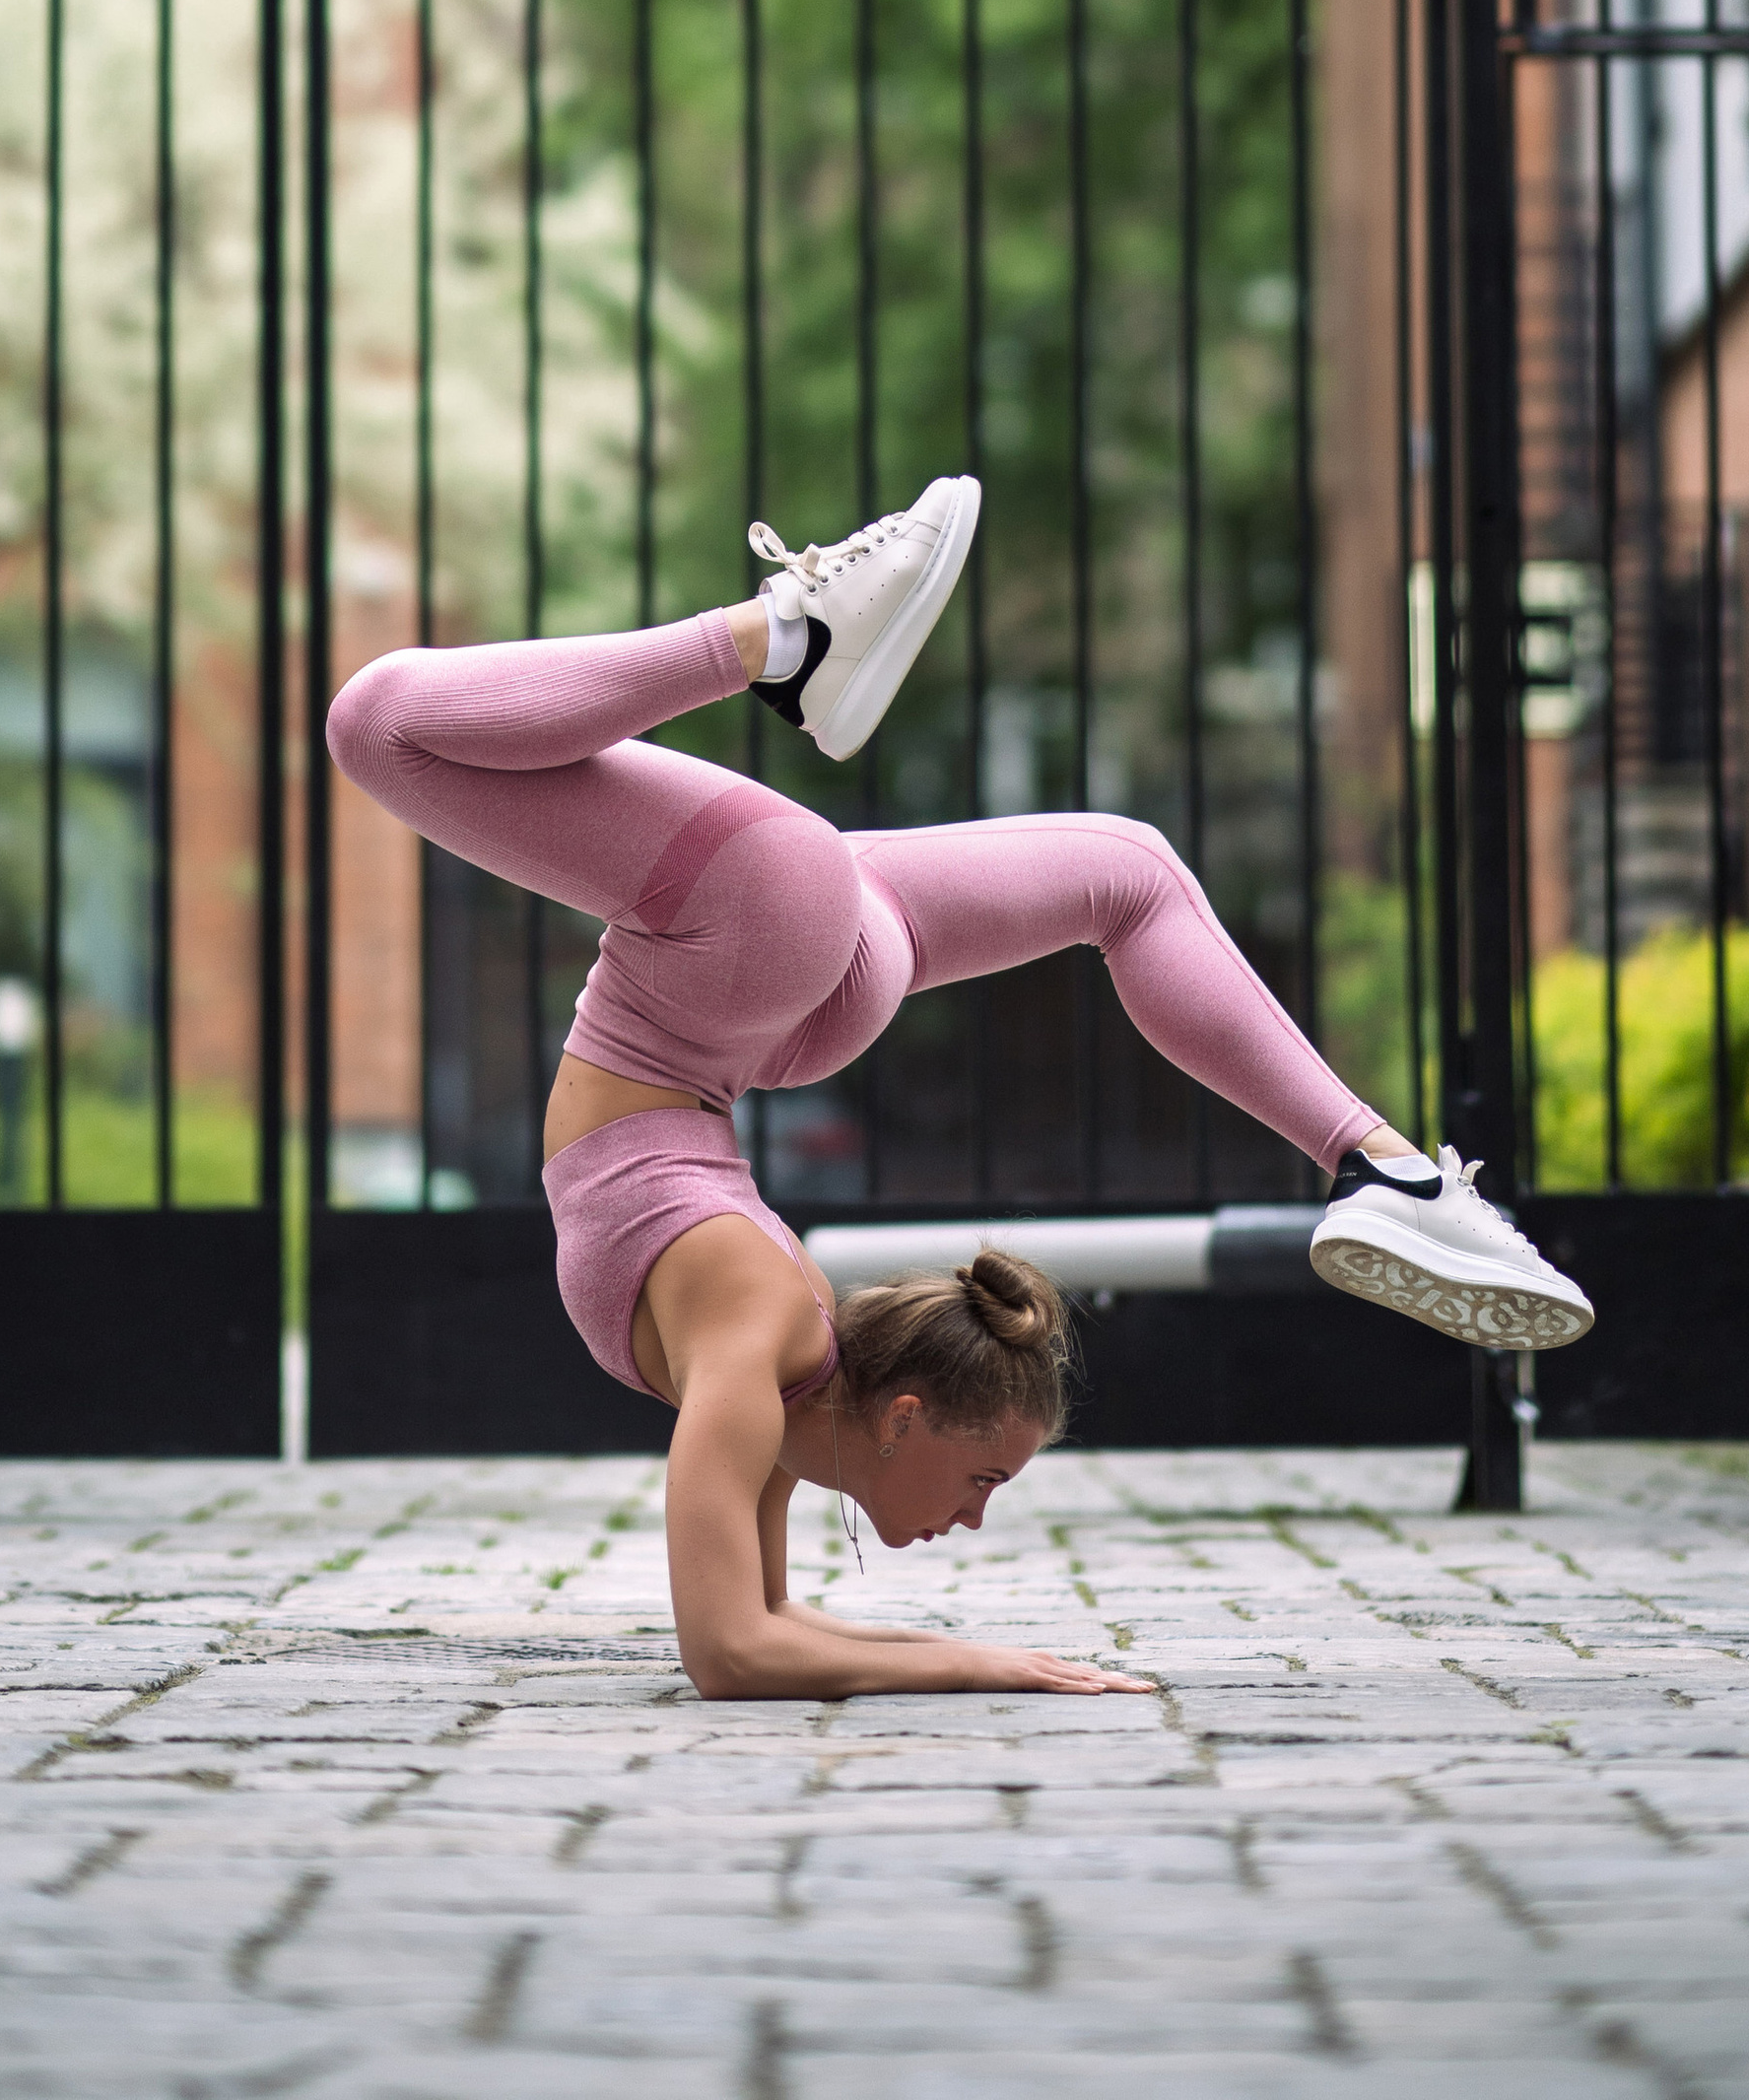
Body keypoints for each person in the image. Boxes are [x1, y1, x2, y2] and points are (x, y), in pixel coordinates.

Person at [327, 476, 1591, 1704]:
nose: (977, 1518)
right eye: (987, 1477)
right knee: (377, 717)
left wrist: (960, 1658)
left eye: (988, 1486)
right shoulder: (764, 1330)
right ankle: (779, 633)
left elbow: (740, 1646)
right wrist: (971, 1658)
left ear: (900, 1414)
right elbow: (744, 1647)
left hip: (761, 966)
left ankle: (1385, 1174)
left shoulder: (764, 1346)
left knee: (387, 724)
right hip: (753, 947)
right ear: (906, 1418)